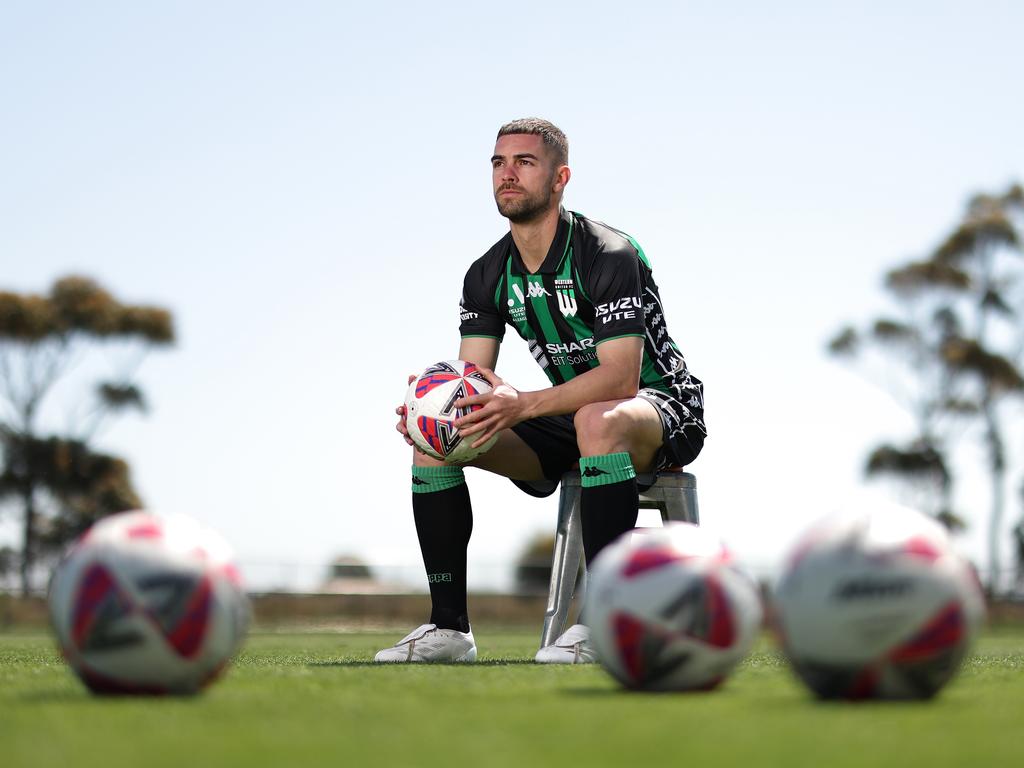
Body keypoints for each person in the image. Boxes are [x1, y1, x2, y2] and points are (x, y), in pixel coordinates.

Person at [375, 118, 706, 664]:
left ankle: (604, 622)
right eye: (499, 163)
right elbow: (474, 380)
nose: (508, 175)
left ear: (560, 179)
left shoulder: (607, 253)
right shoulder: (485, 273)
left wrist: (522, 403)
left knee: (598, 418)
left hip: (660, 406)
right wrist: (432, 410)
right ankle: (449, 629)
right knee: (439, 439)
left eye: (525, 163)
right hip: (569, 413)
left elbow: (621, 377)